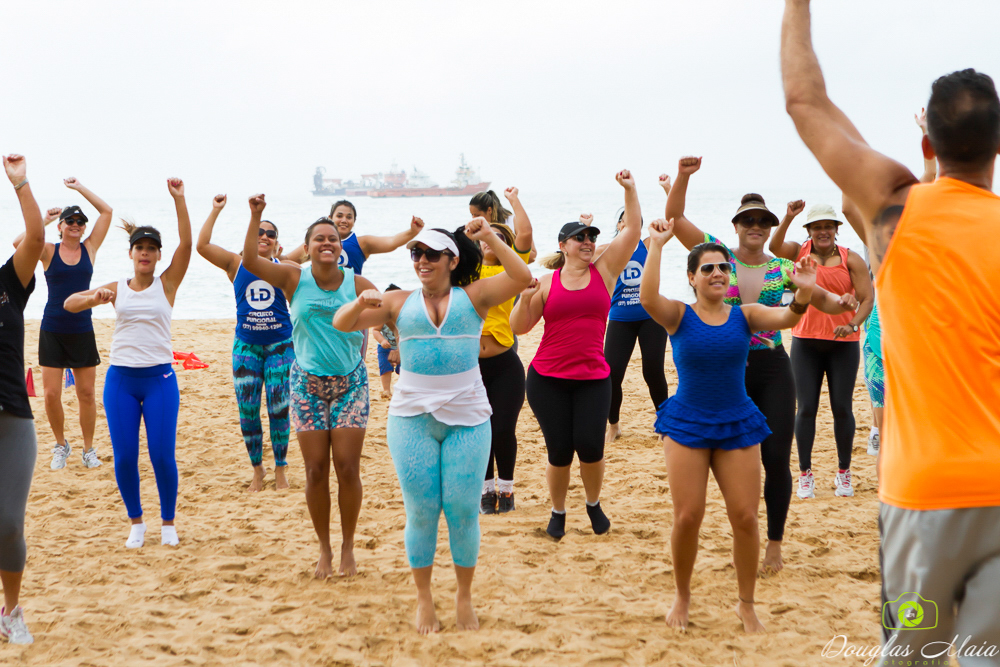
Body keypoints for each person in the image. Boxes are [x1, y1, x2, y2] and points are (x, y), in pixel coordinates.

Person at [782, 0, 1000, 654]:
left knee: (912, 654)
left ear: (927, 144)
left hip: (922, 496)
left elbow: (805, 101)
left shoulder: (895, 208)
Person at [333, 217, 531, 634]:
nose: (421, 261)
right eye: (415, 253)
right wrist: (359, 302)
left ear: (452, 260)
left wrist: (490, 236)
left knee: (462, 511)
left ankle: (463, 596)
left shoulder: (474, 297)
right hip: (412, 419)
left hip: (469, 417)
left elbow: (522, 275)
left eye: (430, 254)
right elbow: (342, 324)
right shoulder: (398, 302)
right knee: (422, 512)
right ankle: (424, 599)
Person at [664, 157, 857, 572]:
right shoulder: (716, 258)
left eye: (763, 221)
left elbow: (817, 298)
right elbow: (675, 218)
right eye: (748, 220)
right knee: (729, 454)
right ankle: (741, 532)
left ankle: (773, 542)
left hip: (771, 367)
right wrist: (682, 177)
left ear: (770, 227)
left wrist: (841, 301)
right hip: (725, 370)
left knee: (774, 458)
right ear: (736, 225)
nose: (756, 226)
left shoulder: (784, 267)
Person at [639, 217, 818, 634]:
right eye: (708, 268)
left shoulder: (745, 315)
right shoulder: (679, 316)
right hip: (687, 423)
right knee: (687, 517)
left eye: (723, 267)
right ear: (692, 278)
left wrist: (805, 291)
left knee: (746, 518)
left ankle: (746, 603)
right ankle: (682, 596)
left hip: (737, 421)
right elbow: (647, 298)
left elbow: (788, 319)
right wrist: (657, 246)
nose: (718, 273)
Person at [241, 199, 382, 579]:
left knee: (348, 468)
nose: (327, 243)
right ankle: (324, 549)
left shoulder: (358, 283)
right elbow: (251, 263)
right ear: (307, 247)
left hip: (350, 383)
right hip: (305, 384)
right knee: (316, 470)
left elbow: (389, 314)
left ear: (341, 245)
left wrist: (395, 342)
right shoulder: (293, 277)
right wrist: (256, 217)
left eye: (333, 238)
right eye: (319, 238)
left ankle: (349, 547)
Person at [510, 169, 642, 540]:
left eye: (590, 238)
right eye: (579, 238)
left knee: (590, 447)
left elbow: (632, 230)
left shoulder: (606, 271)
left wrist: (630, 190)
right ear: (563, 245)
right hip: (547, 379)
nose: (587, 242)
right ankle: (558, 511)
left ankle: (593, 503)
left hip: (593, 378)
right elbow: (520, 327)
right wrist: (523, 298)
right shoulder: (547, 282)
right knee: (559, 451)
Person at [64, 178, 193, 549]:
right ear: (132, 253)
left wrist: (180, 199)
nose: (146, 253)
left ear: (157, 255)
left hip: (160, 380)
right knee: (124, 458)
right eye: (140, 247)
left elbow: (186, 244)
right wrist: (94, 299)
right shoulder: (118, 286)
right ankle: (136, 522)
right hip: (121, 380)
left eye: (152, 249)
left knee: (161, 456)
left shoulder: (167, 284)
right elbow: (69, 303)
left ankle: (168, 522)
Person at [841, 110, 937, 459]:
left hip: (916, 328)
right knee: (884, 430)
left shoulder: (919, 232)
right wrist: (852, 160)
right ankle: (879, 432)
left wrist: (926, 133)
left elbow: (928, 176)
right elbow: (848, 205)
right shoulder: (875, 238)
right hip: (881, 325)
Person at [769, 202, 873, 499]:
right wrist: (788, 217)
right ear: (810, 231)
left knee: (842, 408)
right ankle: (805, 475)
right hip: (806, 342)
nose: (823, 231)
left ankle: (844, 473)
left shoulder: (850, 259)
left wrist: (853, 325)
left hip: (844, 345)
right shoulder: (799, 253)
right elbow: (775, 247)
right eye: (817, 227)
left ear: (837, 230)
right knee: (806, 409)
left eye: (829, 226)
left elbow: (866, 299)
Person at [12, 178, 113, 471]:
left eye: (80, 221)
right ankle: (60, 445)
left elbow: (106, 212)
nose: (76, 225)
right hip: (52, 329)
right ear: (61, 226)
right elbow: (19, 243)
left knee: (86, 394)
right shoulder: (48, 250)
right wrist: (44, 219)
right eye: (70, 220)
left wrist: (80, 188)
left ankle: (88, 449)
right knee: (51, 394)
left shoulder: (90, 248)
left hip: (82, 329)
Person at [196, 194, 294, 493]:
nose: (264, 236)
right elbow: (201, 246)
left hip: (280, 346)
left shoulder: (286, 268)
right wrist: (215, 210)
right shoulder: (235, 264)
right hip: (246, 348)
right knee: (248, 411)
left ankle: (280, 469)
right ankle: (257, 469)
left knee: (279, 408)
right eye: (259, 232)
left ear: (278, 245)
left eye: (270, 234)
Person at [0, 155, 44, 645]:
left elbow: (35, 238)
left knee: (8, 524)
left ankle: (11, 611)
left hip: (12, 413)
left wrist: (21, 184)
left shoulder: (8, 283)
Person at [468, 187, 533, 514]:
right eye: (483, 240)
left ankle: (505, 491)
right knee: (479, 431)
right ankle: (485, 490)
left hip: (505, 365)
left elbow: (524, 234)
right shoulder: (468, 274)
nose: (486, 242)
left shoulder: (509, 273)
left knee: (503, 429)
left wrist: (513, 199)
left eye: (494, 240)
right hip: (470, 367)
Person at [594, 206, 669, 445]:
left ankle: (664, 424)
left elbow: (673, 225)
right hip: (620, 318)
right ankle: (613, 425)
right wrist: (585, 225)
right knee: (611, 374)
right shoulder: (607, 250)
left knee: (653, 371)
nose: (629, 226)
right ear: (618, 226)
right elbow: (580, 256)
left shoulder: (649, 245)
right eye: (624, 222)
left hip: (651, 318)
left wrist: (668, 190)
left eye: (634, 222)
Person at [372, 284, 402, 399]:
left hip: (401, 347)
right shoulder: (383, 316)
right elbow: (375, 330)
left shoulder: (403, 316)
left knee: (403, 369)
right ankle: (386, 390)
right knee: (385, 367)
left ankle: (402, 389)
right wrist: (382, 340)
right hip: (385, 347)